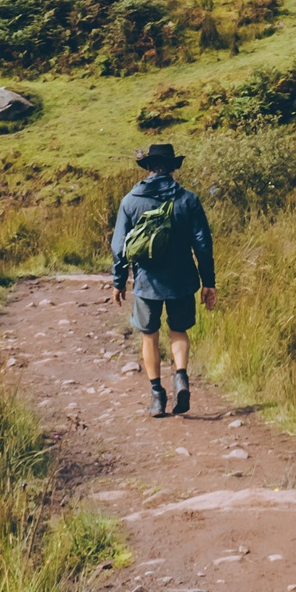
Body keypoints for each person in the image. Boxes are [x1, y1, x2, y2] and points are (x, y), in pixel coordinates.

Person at [110, 142, 216, 417]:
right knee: (178, 332)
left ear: (147, 168)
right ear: (172, 169)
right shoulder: (188, 200)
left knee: (149, 337)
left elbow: (119, 246)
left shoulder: (130, 201)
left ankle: (157, 396)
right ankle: (180, 377)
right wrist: (208, 282)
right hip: (182, 280)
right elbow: (203, 244)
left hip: (147, 283)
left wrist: (119, 281)